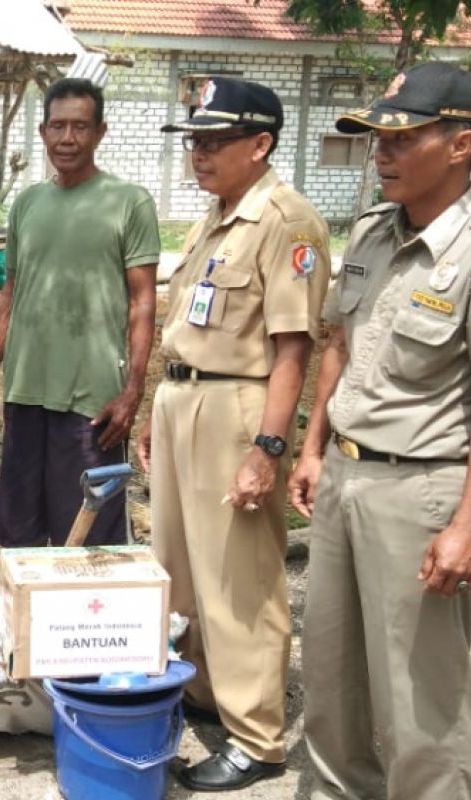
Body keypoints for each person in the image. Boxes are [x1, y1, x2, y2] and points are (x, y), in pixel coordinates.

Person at [136, 77, 331, 791]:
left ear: (262, 144)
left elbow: (292, 348)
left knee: (240, 577)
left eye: (215, 142)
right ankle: (206, 694)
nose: (199, 153)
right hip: (186, 401)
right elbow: (190, 329)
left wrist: (269, 448)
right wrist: (162, 411)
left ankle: (258, 735)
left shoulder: (288, 220)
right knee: (182, 567)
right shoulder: (217, 217)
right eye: (195, 140)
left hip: (238, 412)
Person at [288, 61, 471, 800]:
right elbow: (338, 342)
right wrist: (311, 448)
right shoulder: (371, 231)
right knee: (330, 673)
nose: (380, 154)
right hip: (344, 478)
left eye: (402, 138)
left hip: (421, 488)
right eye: (374, 139)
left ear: (461, 144)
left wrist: (465, 522)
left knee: (417, 695)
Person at [0, 78, 158, 547]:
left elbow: (142, 301)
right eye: (57, 126)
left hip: (91, 405)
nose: (67, 138)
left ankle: (89, 621)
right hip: (25, 393)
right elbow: (11, 293)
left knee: (89, 535)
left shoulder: (129, 202)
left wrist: (133, 390)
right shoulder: (28, 203)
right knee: (18, 531)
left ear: (101, 131)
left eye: (80, 126)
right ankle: (24, 619)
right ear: (42, 131)